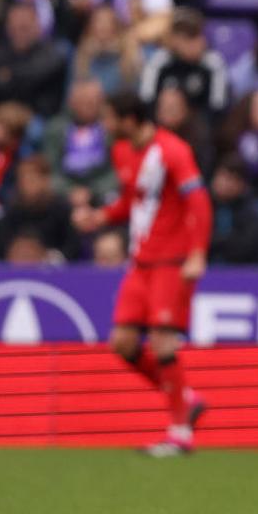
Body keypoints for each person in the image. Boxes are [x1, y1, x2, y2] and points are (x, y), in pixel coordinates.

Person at [70, 91, 211, 456]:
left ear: (129, 120)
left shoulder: (172, 151)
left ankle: (180, 433)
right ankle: (186, 398)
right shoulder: (123, 151)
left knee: (164, 343)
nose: (105, 125)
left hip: (172, 261)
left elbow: (199, 201)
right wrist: (100, 217)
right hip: (141, 262)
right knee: (122, 343)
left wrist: (197, 253)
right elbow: (134, 202)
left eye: (110, 118)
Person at [139, 7, 230, 117]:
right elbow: (147, 101)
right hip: (162, 126)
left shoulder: (213, 64)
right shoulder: (159, 62)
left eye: (196, 35)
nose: (197, 43)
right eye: (188, 37)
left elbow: (217, 108)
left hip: (197, 128)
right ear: (173, 38)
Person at [40, 78, 117, 206]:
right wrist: (70, 191)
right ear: (71, 103)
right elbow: (50, 170)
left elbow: (118, 169)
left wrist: (93, 191)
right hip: (65, 195)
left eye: (94, 102)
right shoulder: (56, 129)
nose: (90, 107)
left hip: (104, 192)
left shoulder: (111, 128)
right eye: (84, 102)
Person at [0, 154, 81, 261]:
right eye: (23, 179)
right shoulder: (12, 209)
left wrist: (52, 257)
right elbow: (2, 243)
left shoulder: (61, 209)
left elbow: (72, 246)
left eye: (32, 179)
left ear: (45, 180)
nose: (27, 184)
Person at [0, 1, 68, 118]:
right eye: (13, 28)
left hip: (39, 116)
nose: (18, 33)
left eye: (24, 28)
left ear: (37, 26)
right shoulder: (2, 52)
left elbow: (36, 76)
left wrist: (9, 76)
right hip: (4, 115)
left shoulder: (52, 53)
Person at [68, 6, 143, 97]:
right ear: (90, 27)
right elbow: (70, 96)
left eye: (107, 21)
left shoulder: (129, 56)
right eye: (98, 21)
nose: (103, 26)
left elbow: (135, 95)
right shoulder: (80, 58)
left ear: (116, 26)